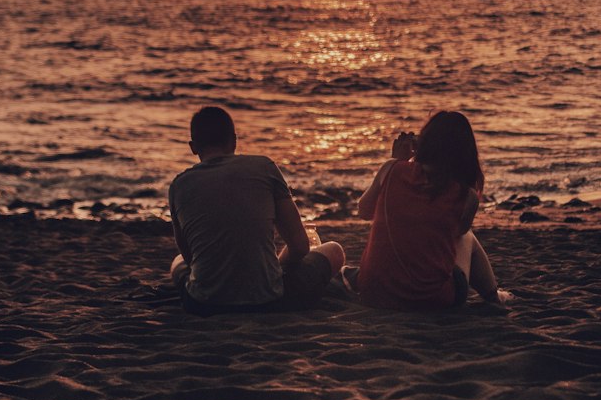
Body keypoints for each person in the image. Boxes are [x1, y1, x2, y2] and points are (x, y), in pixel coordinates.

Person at [169, 106, 345, 316]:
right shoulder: (264, 167)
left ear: (193, 147)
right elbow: (299, 247)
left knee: (177, 261)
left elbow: (190, 258)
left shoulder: (179, 185)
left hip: (203, 305)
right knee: (334, 250)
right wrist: (276, 268)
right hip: (270, 301)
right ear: (234, 140)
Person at [346, 110, 509, 311]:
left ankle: (494, 294)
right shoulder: (467, 196)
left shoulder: (391, 169)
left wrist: (398, 162)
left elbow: (364, 211)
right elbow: (456, 234)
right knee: (467, 238)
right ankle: (494, 295)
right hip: (434, 299)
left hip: (374, 293)